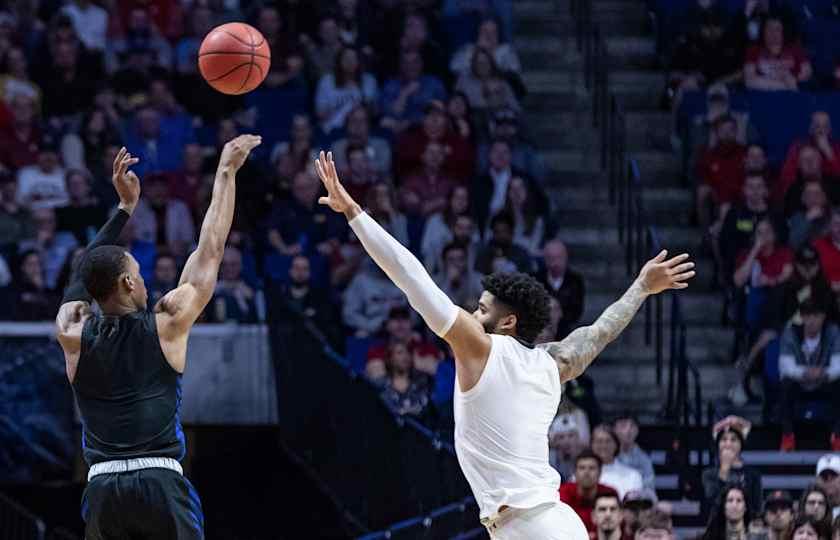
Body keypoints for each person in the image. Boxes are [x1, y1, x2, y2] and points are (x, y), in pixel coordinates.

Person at [312, 150, 694, 539]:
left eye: (481, 309)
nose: (473, 316)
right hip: (530, 525)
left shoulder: (480, 346)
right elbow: (600, 331)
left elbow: (413, 278)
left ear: (507, 321)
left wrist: (355, 214)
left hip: (538, 526)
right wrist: (642, 287)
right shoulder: (553, 362)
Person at [54, 135, 261, 539]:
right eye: (140, 273)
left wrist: (123, 210)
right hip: (160, 481)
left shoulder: (72, 331)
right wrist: (225, 172)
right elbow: (210, 250)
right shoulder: (166, 323)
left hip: (102, 489)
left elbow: (82, 274)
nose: (146, 280)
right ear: (130, 282)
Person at [777, 300, 840, 451]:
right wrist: (805, 372)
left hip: (824, 380)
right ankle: (787, 436)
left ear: (823, 317)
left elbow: (838, 364)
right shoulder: (790, 332)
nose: (811, 321)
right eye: (807, 316)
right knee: (785, 385)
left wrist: (823, 373)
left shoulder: (832, 332)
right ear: (802, 317)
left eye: (816, 316)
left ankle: (837, 436)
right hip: (799, 382)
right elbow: (785, 366)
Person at [559, 450, 620, 534]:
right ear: (575, 473)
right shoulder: (563, 493)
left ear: (600, 472)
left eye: (592, 468)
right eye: (582, 468)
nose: (586, 472)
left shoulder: (610, 493)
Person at [538, 239, 585, 339]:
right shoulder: (537, 279)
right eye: (551, 258)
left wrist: (558, 313)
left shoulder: (575, 280)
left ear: (566, 257)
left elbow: (576, 311)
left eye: (558, 257)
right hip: (541, 330)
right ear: (545, 259)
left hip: (566, 331)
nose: (555, 263)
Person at [591, 424, 644, 500]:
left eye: (608, 441)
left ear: (616, 445)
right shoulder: (579, 475)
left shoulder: (633, 476)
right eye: (599, 441)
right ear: (592, 445)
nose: (604, 445)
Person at [614, 414, 656, 493]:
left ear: (637, 430)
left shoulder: (644, 459)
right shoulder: (608, 456)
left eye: (632, 426)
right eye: (623, 426)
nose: (628, 430)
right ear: (615, 430)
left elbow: (649, 488)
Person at [816, 455, 840, 520]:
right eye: (824, 476)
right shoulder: (810, 512)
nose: (829, 479)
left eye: (834, 475)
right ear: (817, 481)